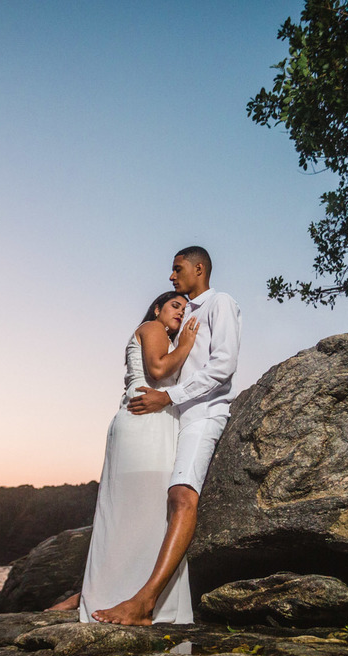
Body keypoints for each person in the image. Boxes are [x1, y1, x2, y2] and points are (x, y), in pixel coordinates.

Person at [93, 245, 241, 625]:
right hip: (173, 421)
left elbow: (223, 365)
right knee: (152, 506)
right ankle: (114, 591)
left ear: (199, 269)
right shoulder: (181, 318)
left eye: (178, 269)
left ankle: (145, 602)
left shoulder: (220, 303)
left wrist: (169, 397)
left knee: (181, 497)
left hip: (202, 415)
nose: (172, 277)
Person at [48, 290, 200, 623]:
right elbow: (157, 369)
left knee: (145, 516)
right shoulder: (152, 328)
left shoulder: (166, 338)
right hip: (144, 426)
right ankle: (111, 596)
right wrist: (187, 345)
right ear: (157, 308)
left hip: (156, 426)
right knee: (139, 514)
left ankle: (113, 595)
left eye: (185, 309)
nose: (180, 312)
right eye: (174, 305)